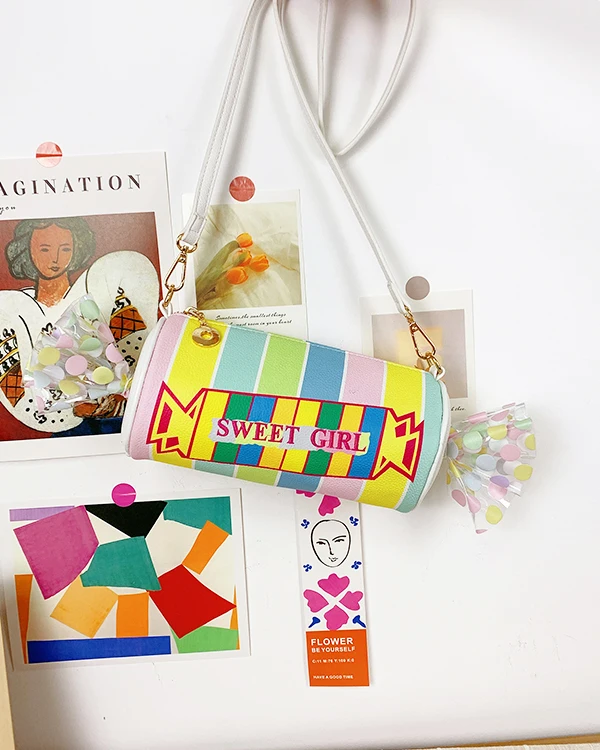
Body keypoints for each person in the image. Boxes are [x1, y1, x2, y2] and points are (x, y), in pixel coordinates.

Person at [0, 217, 159, 438]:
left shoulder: (104, 285)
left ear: (77, 249)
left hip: (122, 417)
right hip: (62, 429)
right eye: (44, 249)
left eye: (65, 248)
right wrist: (72, 406)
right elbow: (16, 390)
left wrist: (112, 400)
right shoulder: (12, 309)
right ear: (26, 249)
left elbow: (134, 348)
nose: (55, 258)